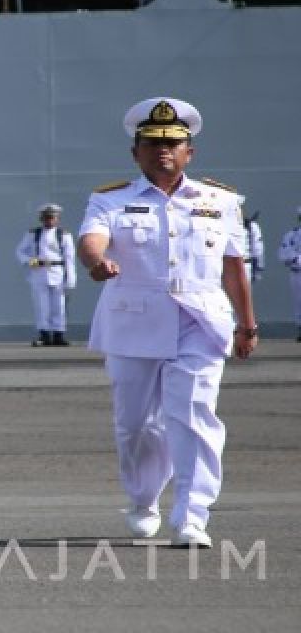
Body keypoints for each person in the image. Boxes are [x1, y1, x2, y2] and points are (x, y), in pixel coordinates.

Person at [78, 97, 257, 548]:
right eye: (153, 143)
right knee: (137, 424)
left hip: (200, 320)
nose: (164, 150)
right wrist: (98, 263)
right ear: (135, 152)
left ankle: (193, 515)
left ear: (189, 153)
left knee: (194, 415)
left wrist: (246, 324)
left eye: (174, 143)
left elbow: (234, 265)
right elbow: (91, 241)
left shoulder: (221, 200)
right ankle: (143, 499)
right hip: (134, 321)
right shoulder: (110, 199)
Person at [15, 203, 77, 346]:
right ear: (41, 218)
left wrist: (71, 279)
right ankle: (44, 334)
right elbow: (20, 251)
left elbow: (69, 258)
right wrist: (30, 261)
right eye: (46, 218)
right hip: (39, 272)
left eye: (52, 218)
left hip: (58, 272)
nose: (49, 220)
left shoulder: (64, 235)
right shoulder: (33, 234)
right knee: (42, 305)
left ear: (57, 219)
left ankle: (59, 334)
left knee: (59, 305)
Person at [279, 206, 301, 341]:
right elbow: (283, 253)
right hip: (297, 273)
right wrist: (296, 259)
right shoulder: (291, 235)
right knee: (298, 302)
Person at [236, 196, 264, 286]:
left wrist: (258, 268)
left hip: (244, 265)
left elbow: (257, 248)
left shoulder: (250, 226)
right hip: (225, 267)